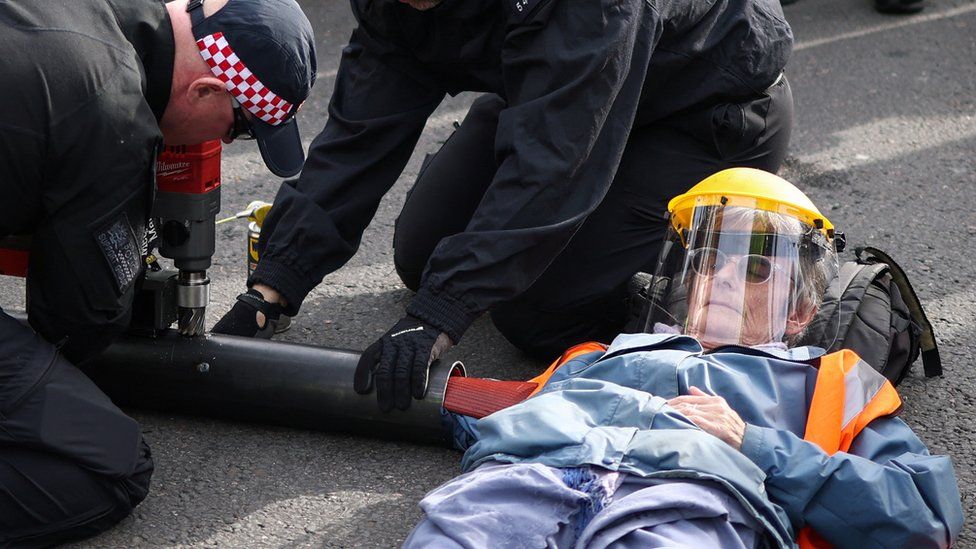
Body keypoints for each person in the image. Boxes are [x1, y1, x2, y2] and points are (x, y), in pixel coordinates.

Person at [212, 0, 797, 412]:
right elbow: (360, 131)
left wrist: (437, 317)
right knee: (423, 256)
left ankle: (761, 279)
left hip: (701, 113)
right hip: (549, 91)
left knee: (538, 313)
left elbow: (552, 167)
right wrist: (275, 284)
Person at [404, 169, 963, 547]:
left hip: (689, 502)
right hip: (525, 478)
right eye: (708, 260)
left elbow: (923, 515)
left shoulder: (832, 380)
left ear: (800, 311)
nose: (721, 275)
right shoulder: (598, 355)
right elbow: (498, 408)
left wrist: (756, 443)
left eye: (756, 268)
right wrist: (409, 375)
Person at [0, 0, 315, 544]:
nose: (220, 143)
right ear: (204, 90)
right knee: (109, 467)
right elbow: (75, 318)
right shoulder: (112, 111)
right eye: (237, 129)